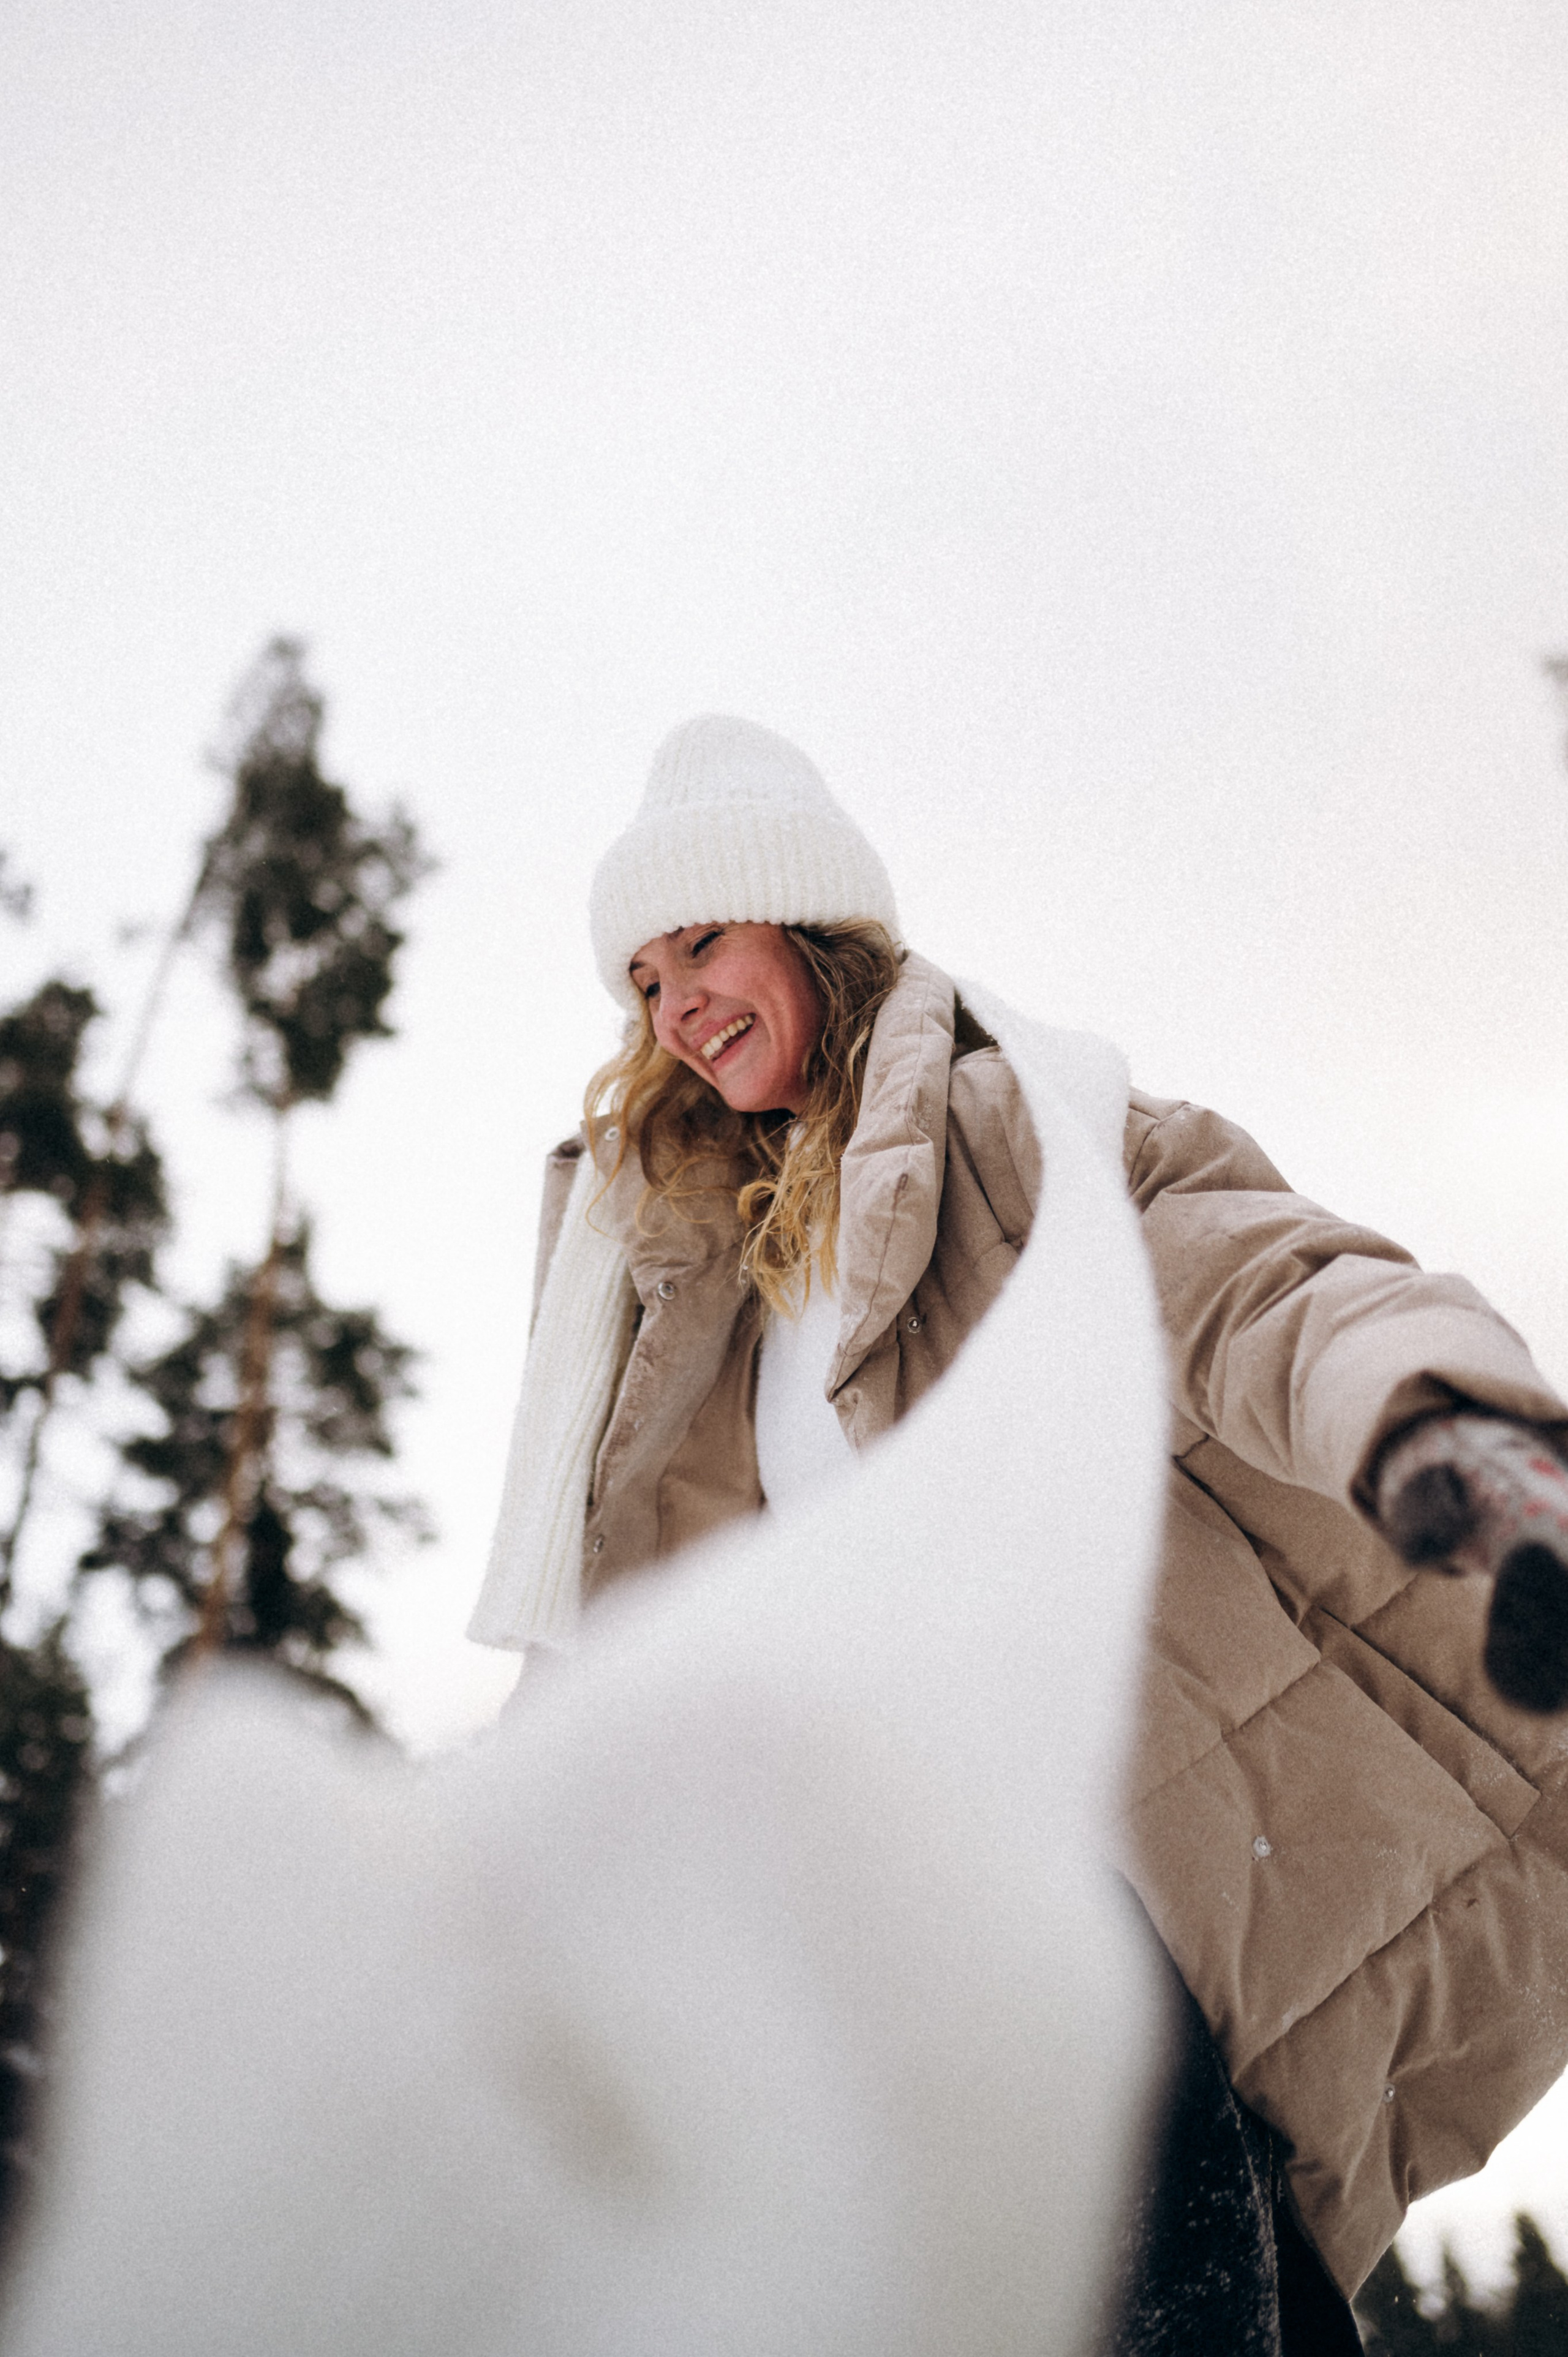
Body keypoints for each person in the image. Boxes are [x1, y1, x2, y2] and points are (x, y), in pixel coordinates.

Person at [471, 714, 1568, 2353]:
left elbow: (1269, 1290)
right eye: (640, 978)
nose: (674, 1002)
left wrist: (1448, 1427)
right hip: (887, 1918)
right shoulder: (685, 1309)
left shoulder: (1014, 1136)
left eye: (703, 940)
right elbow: (615, 1652)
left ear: (813, 928)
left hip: (1095, 1871)